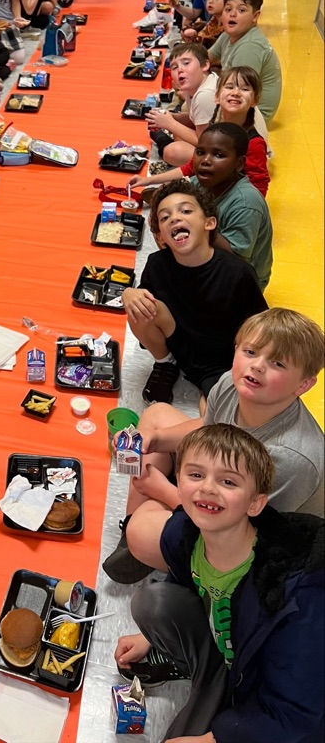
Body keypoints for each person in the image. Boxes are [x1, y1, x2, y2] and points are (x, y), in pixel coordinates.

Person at [115, 424, 324, 743]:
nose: (208, 489)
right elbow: (184, 583)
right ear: (179, 486)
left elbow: (295, 714)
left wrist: (212, 739)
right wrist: (150, 638)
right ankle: (203, 676)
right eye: (196, 475)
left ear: (256, 503)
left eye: (228, 481)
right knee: (151, 601)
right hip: (225, 657)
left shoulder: (292, 592)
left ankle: (213, 693)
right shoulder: (181, 533)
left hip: (259, 691)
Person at [105, 308, 324, 584]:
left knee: (143, 530)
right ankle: (136, 540)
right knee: (156, 416)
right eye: (251, 352)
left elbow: (246, 528)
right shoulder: (231, 385)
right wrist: (156, 440)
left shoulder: (288, 456)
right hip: (224, 485)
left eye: (278, 364)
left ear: (303, 384)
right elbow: (207, 429)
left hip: (258, 538)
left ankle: (146, 539)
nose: (256, 366)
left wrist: (163, 490)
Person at [120, 179, 267, 407]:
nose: (175, 218)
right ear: (160, 238)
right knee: (141, 306)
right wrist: (129, 293)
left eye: (186, 210)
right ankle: (166, 363)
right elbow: (145, 299)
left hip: (221, 361)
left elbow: (261, 328)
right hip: (179, 343)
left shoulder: (237, 273)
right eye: (165, 217)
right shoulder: (157, 264)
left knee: (215, 414)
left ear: (209, 223)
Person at [133, 67, 270, 197]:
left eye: (245, 89)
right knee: (170, 188)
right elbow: (191, 167)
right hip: (212, 186)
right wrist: (148, 181)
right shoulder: (216, 129)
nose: (236, 93)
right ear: (216, 97)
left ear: (255, 101)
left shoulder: (254, 143)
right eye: (229, 87)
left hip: (229, 200)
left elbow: (259, 187)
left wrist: (243, 213)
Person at [190, 123, 273, 288]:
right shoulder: (198, 183)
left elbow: (237, 259)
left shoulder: (246, 203)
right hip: (210, 259)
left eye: (218, 155)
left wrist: (199, 223)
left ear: (239, 164)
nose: (205, 160)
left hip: (242, 280)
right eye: (200, 152)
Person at [209, 0, 282, 120]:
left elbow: (239, 94)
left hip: (253, 114)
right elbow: (206, 59)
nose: (232, 14)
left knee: (197, 97)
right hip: (238, 99)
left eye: (241, 10)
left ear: (255, 16)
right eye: (228, 9)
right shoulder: (229, 34)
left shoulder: (250, 47)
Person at [146, 43, 219, 167]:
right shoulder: (198, 84)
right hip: (216, 140)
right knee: (178, 131)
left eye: (186, 63)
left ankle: (164, 144)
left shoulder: (205, 94)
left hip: (232, 158)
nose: (180, 69)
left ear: (205, 65)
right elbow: (197, 120)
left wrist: (170, 123)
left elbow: (204, 142)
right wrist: (172, 117)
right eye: (174, 67)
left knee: (172, 152)